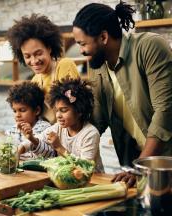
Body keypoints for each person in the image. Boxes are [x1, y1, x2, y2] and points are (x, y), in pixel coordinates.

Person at [72, 1, 172, 186]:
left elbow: (165, 111)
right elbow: (97, 120)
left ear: (103, 37)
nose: (81, 51)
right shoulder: (98, 65)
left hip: (165, 162)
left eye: (83, 43)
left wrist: (139, 168)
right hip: (135, 163)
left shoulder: (149, 47)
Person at [18, 78, 103, 172]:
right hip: (67, 179)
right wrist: (24, 145)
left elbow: (84, 168)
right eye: (56, 110)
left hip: (93, 180)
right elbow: (39, 138)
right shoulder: (58, 128)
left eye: (64, 110)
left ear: (79, 111)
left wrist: (59, 147)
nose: (58, 115)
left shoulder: (90, 134)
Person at [7, 14, 80, 123]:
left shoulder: (64, 65)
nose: (34, 61)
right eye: (27, 56)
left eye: (38, 53)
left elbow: (73, 105)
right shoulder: (35, 80)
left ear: (49, 48)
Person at [5, 81, 51, 159]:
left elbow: (49, 154)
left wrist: (32, 139)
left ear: (37, 111)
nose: (17, 115)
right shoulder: (12, 130)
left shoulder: (45, 128)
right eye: (14, 111)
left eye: (22, 110)